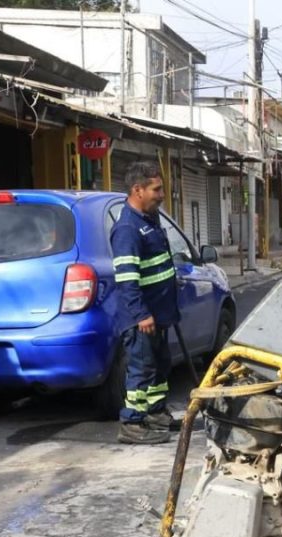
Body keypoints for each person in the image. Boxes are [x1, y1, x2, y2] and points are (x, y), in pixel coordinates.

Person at [111, 161, 180, 445]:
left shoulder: (149, 221)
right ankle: (132, 423)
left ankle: (155, 414)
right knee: (140, 372)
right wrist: (141, 314)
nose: (162, 194)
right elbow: (127, 279)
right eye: (156, 189)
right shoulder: (127, 228)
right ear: (137, 190)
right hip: (141, 318)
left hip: (158, 314)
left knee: (158, 367)